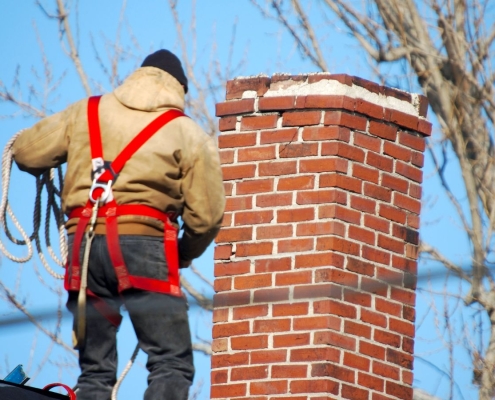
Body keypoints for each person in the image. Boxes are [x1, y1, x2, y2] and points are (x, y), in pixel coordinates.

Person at [12, 49, 225, 400]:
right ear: (178, 90)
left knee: (95, 371)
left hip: (84, 249)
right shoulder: (187, 133)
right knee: (171, 361)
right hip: (144, 246)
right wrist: (183, 254)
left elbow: (25, 152)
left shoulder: (86, 111)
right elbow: (206, 218)